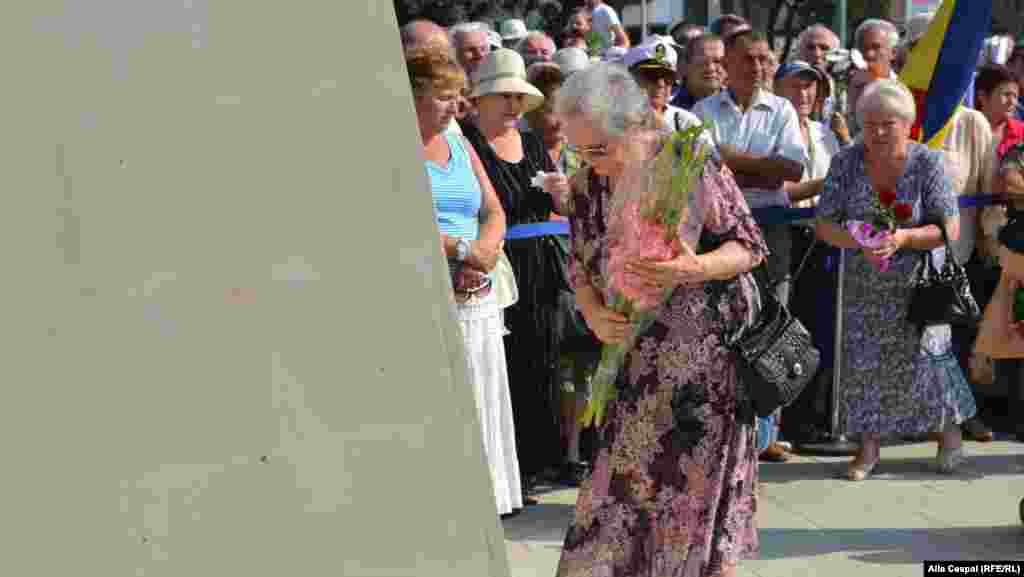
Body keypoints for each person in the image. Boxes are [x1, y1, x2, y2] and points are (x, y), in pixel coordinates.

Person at [552, 61, 765, 577]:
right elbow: (581, 265)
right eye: (579, 149)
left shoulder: (686, 163)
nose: (589, 161)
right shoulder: (586, 187)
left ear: (635, 125)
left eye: (598, 148)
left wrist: (693, 267)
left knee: (693, 498)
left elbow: (749, 247)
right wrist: (596, 314)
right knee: (614, 495)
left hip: (707, 366)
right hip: (636, 365)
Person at [815, 79, 976, 480]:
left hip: (921, 282)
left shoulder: (927, 162)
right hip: (864, 283)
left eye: (888, 123)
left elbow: (949, 228)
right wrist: (859, 240)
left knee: (929, 361)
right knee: (864, 363)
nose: (878, 132)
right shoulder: (846, 162)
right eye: (870, 124)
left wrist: (904, 237)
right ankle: (868, 448)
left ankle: (948, 431)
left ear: (907, 123)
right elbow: (823, 225)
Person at [405, 48, 524, 517]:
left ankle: (489, 500)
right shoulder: (392, 145)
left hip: (479, 292)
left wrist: (487, 250)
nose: (455, 108)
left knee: (484, 393)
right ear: (411, 96)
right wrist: (460, 251)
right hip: (430, 293)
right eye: (443, 97)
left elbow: (493, 208)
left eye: (458, 97)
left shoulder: (459, 140)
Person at [459, 48, 568, 501]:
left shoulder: (535, 143)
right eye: (501, 95)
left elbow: (560, 202)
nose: (511, 105)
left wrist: (564, 192)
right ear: (480, 99)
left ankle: (533, 465)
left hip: (541, 266)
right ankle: (501, 470)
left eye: (517, 96)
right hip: (497, 265)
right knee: (502, 366)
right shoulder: (465, 143)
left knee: (541, 361)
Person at [523, 60, 598, 486]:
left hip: (581, 270)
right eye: (549, 107)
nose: (556, 116)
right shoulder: (524, 148)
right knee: (549, 364)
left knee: (580, 364)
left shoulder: (584, 152)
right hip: (540, 271)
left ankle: (576, 451)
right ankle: (551, 449)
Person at [623, 38, 702, 132]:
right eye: (652, 75)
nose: (661, 84)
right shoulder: (613, 123)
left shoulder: (687, 122)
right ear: (631, 78)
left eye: (668, 77)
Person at [846, 19, 900, 138]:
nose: (869, 54)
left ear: (893, 52)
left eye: (876, 47)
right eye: (863, 48)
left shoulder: (903, 91)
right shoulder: (845, 87)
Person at [671, 34, 726, 111]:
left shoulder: (741, 106)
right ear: (685, 66)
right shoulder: (669, 111)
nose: (711, 68)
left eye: (717, 61)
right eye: (702, 62)